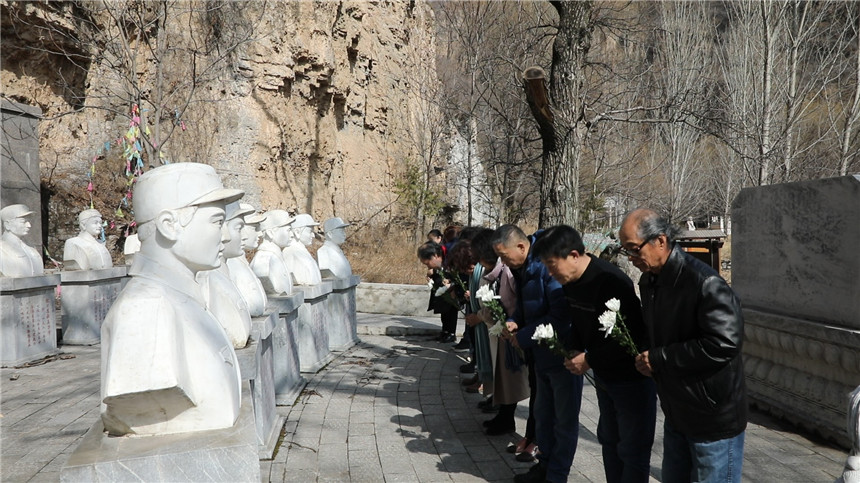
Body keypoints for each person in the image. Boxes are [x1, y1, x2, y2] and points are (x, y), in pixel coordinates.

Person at [100, 162, 243, 436]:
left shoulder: (181, 295)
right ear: (169, 226)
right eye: (217, 222)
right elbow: (141, 395)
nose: (225, 237)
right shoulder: (144, 307)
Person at [619, 208, 747, 483]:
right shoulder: (650, 280)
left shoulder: (704, 283)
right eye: (626, 250)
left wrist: (660, 358)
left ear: (661, 241)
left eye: (633, 249)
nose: (631, 258)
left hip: (712, 419)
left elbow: (724, 344)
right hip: (677, 412)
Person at [532, 224, 656, 483]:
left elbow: (630, 336)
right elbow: (578, 320)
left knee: (631, 450)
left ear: (575, 255)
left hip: (630, 379)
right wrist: (576, 348)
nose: (550, 272)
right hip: (604, 378)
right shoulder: (569, 281)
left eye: (553, 264)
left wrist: (589, 359)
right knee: (609, 442)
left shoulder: (610, 282)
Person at [492, 224, 580, 483]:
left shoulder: (545, 265)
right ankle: (544, 467)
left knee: (562, 422)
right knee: (543, 416)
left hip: (561, 354)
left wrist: (525, 335)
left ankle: (556, 475)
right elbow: (525, 305)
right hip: (540, 356)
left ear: (521, 246)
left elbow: (560, 316)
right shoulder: (524, 268)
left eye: (505, 256)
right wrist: (514, 320)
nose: (504, 263)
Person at [471, 229, 531, 442]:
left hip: (513, 334)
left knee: (512, 380)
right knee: (505, 379)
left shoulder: (507, 273)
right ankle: (504, 416)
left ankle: (509, 421)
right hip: (504, 331)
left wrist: (511, 321)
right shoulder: (496, 274)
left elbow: (518, 303)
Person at [417, 241, 459, 343]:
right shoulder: (439, 264)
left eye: (427, 263)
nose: (428, 266)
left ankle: (451, 333)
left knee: (451, 310)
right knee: (443, 311)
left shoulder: (452, 257)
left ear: (435, 256)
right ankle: (445, 331)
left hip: (452, 290)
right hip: (443, 290)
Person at [0, 204, 43, 277]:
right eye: (23, 221)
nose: (29, 225)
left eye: (29, 221)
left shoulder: (31, 248)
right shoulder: (2, 249)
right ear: (7, 224)